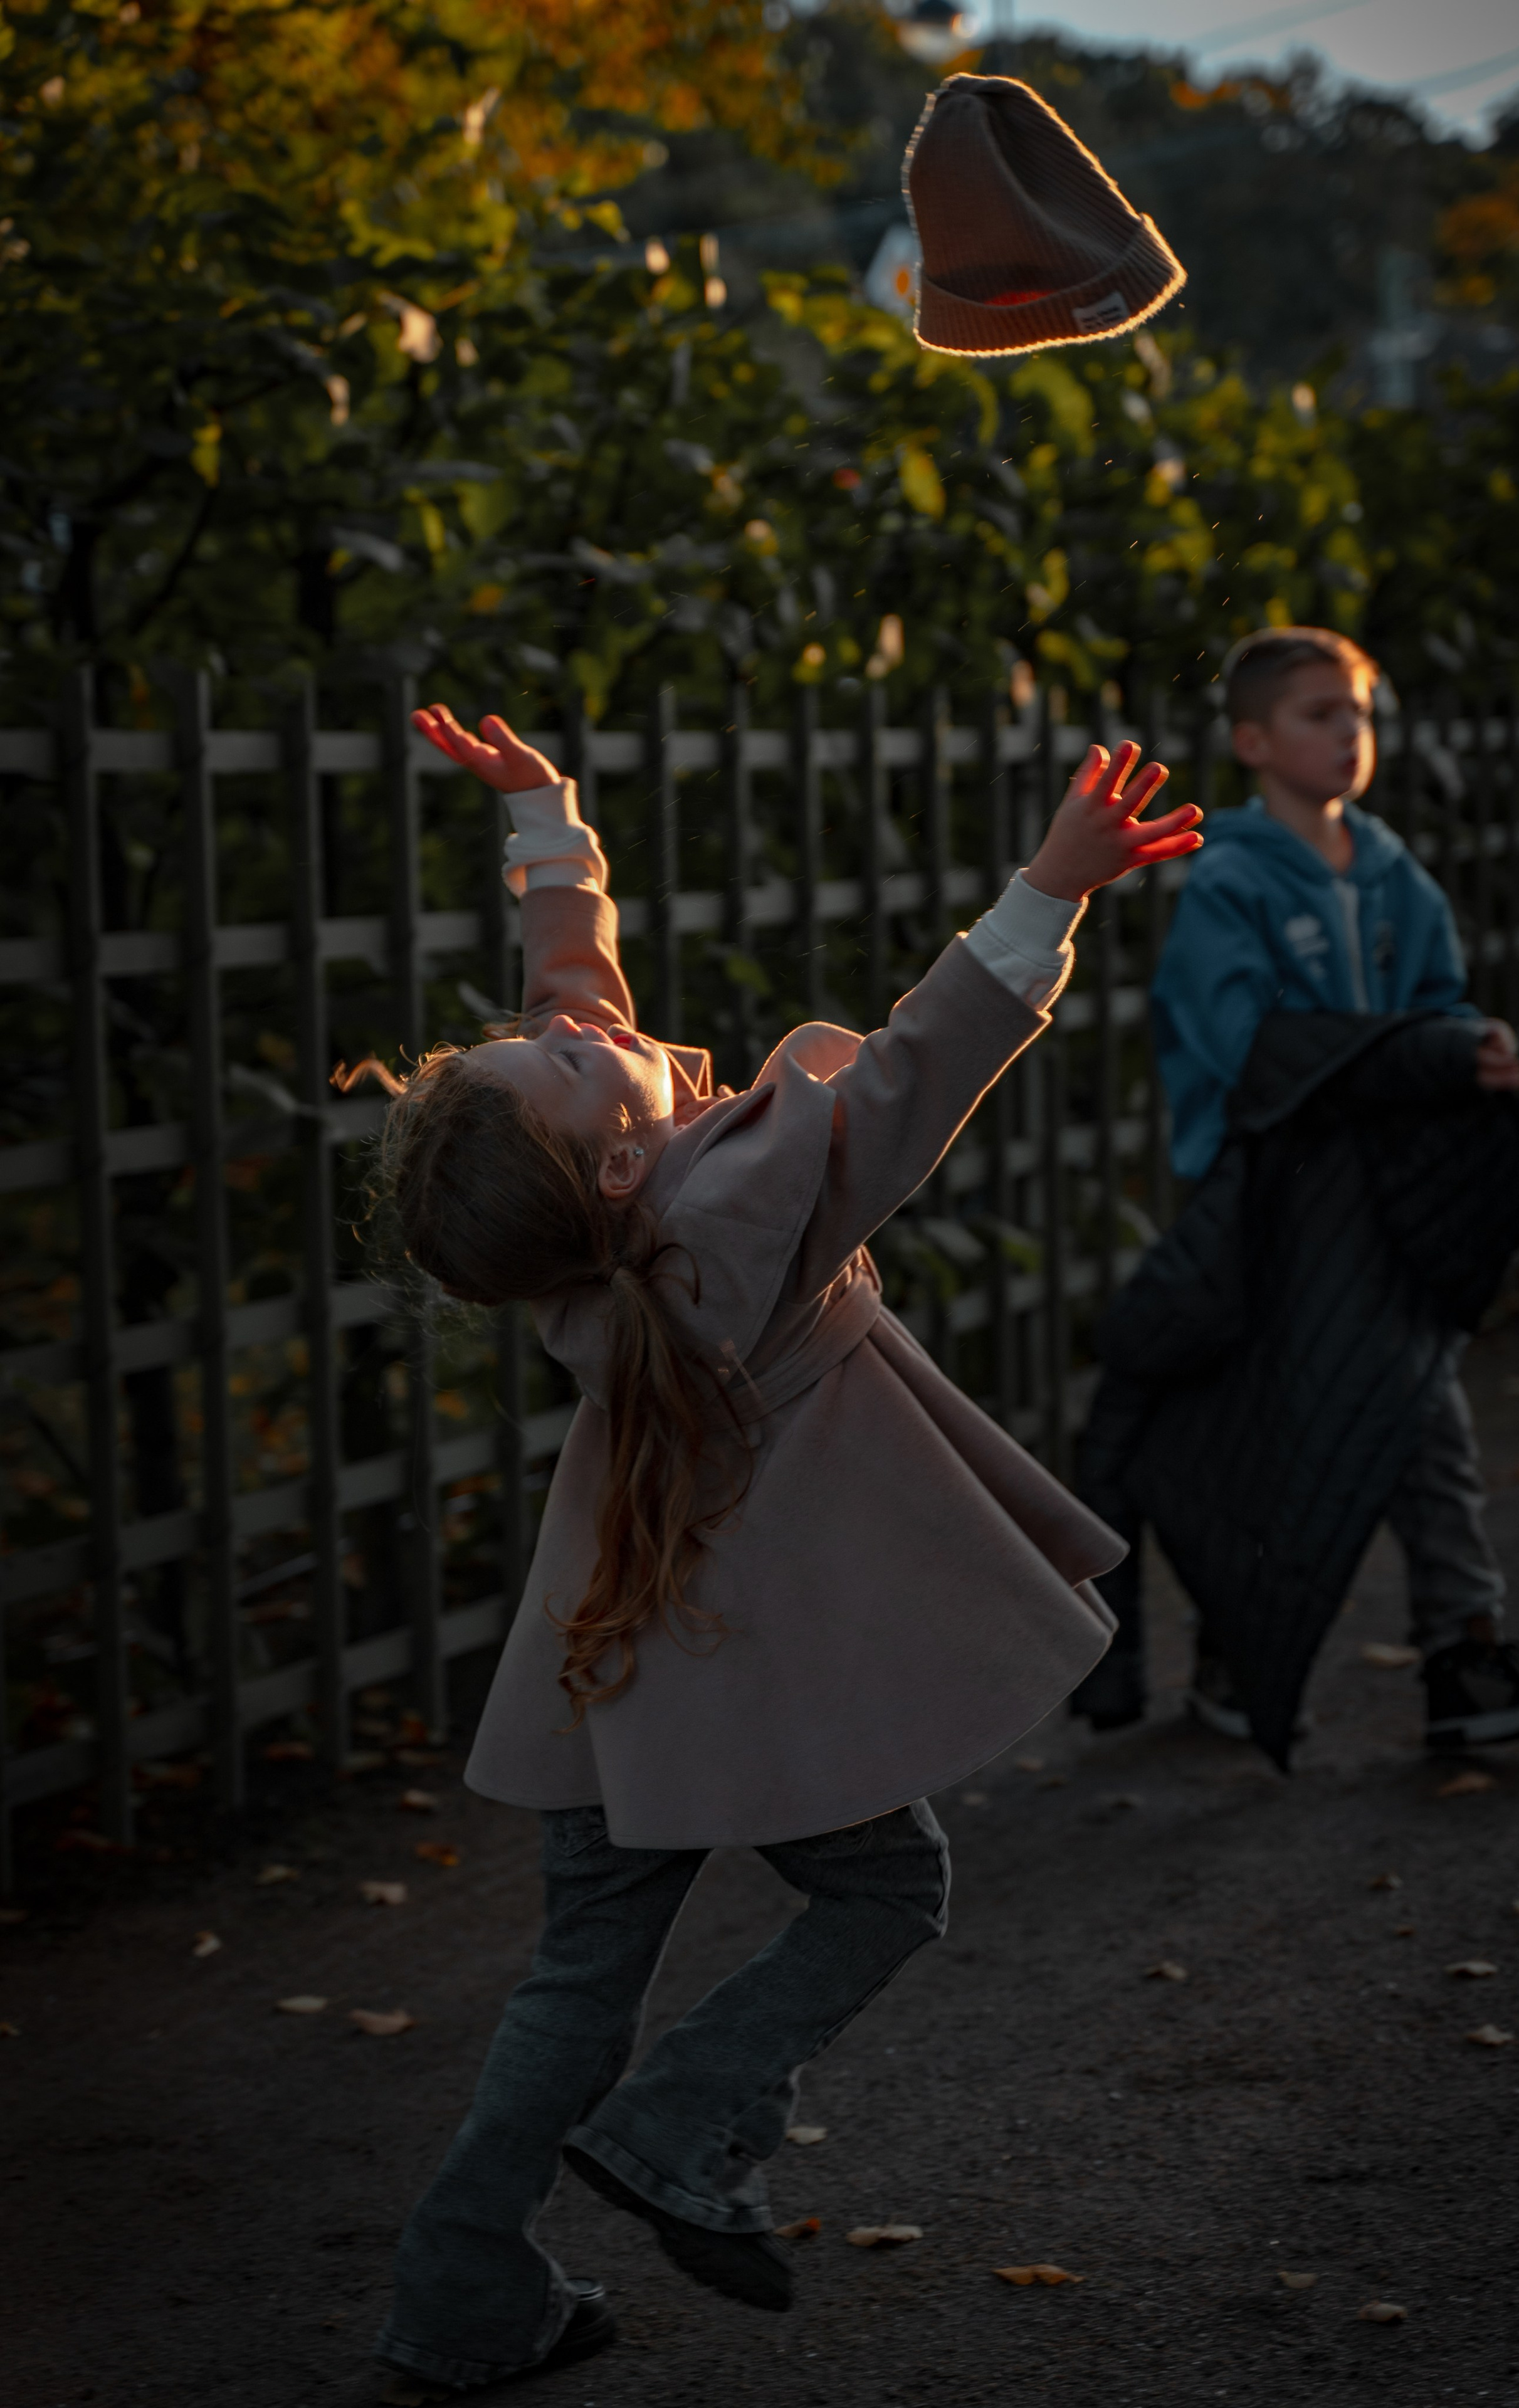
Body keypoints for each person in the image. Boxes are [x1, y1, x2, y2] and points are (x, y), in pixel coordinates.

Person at [353, 705, 1202, 2402]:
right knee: (891, 1885)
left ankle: (460, 2287)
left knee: (579, 1974)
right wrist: (1052, 885)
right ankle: (683, 2127)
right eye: (588, 1057)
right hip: (740, 1658)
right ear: (615, 1158)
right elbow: (913, 1071)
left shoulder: (596, 1233)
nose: (607, 1029)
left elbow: (568, 988)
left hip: (612, 1665)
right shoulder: (728, 1218)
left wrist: (546, 823)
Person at [1072, 624, 1519, 1760]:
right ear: (1253, 739)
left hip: (1381, 1214)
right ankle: (1260, 1659)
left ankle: (1462, 1650)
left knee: (1412, 1413)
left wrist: (1477, 1045)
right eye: (1320, 713)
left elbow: (1439, 1006)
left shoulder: (1395, 869)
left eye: (1359, 713)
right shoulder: (1229, 879)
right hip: (1270, 1214)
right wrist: (1411, 1055)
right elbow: (1243, 1046)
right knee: (1268, 1434)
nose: (1348, 733)